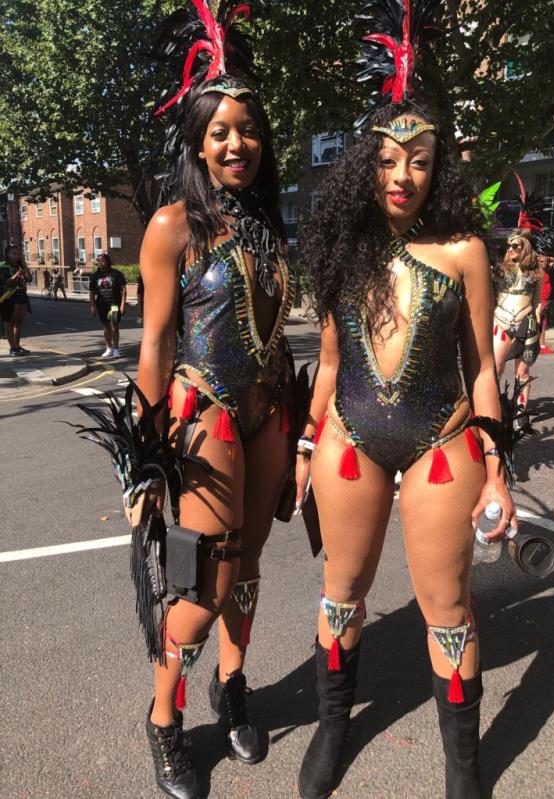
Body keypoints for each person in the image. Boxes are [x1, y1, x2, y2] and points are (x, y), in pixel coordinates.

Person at [295, 4, 516, 799]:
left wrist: (497, 467)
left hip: (441, 441)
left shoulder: (465, 253)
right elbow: (326, 363)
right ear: (366, 166)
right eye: (388, 159)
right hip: (351, 436)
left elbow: (482, 367)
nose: (402, 175)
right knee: (341, 592)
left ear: (439, 168)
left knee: (449, 604)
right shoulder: (340, 252)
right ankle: (332, 722)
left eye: (419, 160)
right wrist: (304, 445)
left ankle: (463, 761)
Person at [136, 3, 295, 797]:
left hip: (269, 414)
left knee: (254, 566)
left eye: (249, 130)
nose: (238, 144)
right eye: (221, 131)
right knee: (205, 587)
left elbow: (277, 331)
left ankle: (234, 685)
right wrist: (142, 462)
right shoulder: (171, 226)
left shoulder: (269, 224)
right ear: (198, 140)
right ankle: (165, 717)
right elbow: (157, 345)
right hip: (204, 417)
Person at [493, 229, 542, 412]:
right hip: (501, 321)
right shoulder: (501, 268)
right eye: (509, 246)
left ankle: (520, 412)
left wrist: (536, 320)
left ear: (525, 247)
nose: (511, 249)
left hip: (525, 325)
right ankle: (493, 406)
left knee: (522, 372)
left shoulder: (537, 271)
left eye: (516, 246)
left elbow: (537, 301)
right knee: (496, 367)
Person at [89, 252, 127, 357]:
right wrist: (92, 306)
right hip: (101, 305)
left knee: (114, 326)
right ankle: (109, 348)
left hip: (114, 304)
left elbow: (123, 289)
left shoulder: (116, 274)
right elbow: (92, 292)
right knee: (106, 327)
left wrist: (123, 304)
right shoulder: (95, 276)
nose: (100, 263)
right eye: (98, 262)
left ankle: (116, 349)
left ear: (107, 262)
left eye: (102, 261)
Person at [0, 245, 32, 356]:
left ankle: (17, 346)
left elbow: (29, 279)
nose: (16, 256)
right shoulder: (3, 266)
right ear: (7, 255)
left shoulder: (20, 266)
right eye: (13, 253)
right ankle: (12, 348)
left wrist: (25, 268)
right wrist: (17, 275)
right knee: (10, 322)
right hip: (8, 297)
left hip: (21, 296)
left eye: (17, 253)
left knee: (19, 322)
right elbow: (6, 282)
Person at [538, 254, 554, 354]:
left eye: (545, 261)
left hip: (546, 299)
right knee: (540, 323)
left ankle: (542, 345)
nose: (545, 263)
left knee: (543, 323)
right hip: (540, 300)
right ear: (538, 262)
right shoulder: (537, 271)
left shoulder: (546, 269)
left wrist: (546, 258)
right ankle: (540, 345)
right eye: (542, 262)